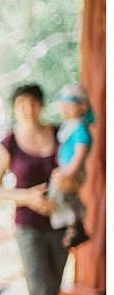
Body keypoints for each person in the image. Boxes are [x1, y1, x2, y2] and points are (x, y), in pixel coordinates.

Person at [0, 84, 74, 295]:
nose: (28, 108)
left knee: (52, 288)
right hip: (28, 226)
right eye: (22, 103)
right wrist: (27, 197)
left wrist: (69, 185)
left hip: (61, 223)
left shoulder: (59, 132)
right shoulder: (9, 143)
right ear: (16, 107)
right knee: (40, 287)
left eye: (33, 102)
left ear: (41, 105)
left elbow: (78, 176)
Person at [46, 83, 93, 249]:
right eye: (63, 106)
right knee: (64, 196)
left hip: (72, 170)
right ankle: (74, 224)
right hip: (66, 168)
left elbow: (80, 152)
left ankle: (74, 224)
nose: (64, 109)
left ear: (82, 106)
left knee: (59, 195)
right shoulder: (69, 127)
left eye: (69, 105)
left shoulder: (80, 129)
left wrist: (70, 173)